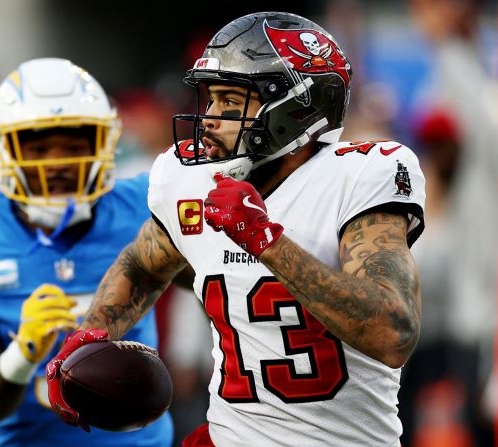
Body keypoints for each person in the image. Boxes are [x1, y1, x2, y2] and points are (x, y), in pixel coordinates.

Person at [46, 12, 426, 447]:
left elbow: (392, 333)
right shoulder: (188, 179)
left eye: (231, 101)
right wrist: (88, 336)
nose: (209, 118)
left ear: (297, 107)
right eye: (209, 100)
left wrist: (266, 240)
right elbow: (143, 264)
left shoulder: (358, 175)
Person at [0, 58, 173, 447]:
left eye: (74, 143)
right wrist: (21, 355)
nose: (58, 162)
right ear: (4, 149)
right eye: (38, 146)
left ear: (106, 143)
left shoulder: (146, 205)